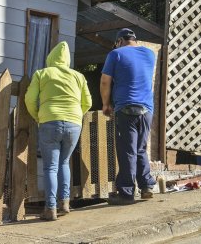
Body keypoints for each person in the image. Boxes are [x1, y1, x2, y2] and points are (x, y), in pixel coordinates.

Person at [25, 41, 92, 220]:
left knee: (50, 167)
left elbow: (30, 99)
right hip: (73, 124)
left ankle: (50, 208)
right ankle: (65, 203)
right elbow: (88, 102)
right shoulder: (79, 77)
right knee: (64, 163)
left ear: (51, 58)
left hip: (49, 121)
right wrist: (76, 116)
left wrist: (38, 116)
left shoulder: (42, 73)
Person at [100, 28, 156, 205]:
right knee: (141, 148)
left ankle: (126, 193)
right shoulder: (150, 54)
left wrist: (106, 104)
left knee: (127, 151)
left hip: (126, 107)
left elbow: (104, 81)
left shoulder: (115, 54)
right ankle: (146, 186)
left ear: (120, 41)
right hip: (146, 109)